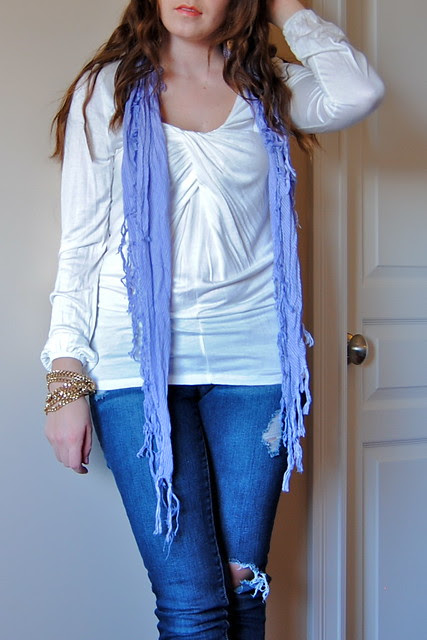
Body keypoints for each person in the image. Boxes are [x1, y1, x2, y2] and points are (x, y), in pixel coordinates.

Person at [41, 1, 384, 638]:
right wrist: (66, 377)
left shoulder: (268, 87)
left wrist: (288, 9)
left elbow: (356, 91)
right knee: (192, 605)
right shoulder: (110, 89)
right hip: (135, 365)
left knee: (242, 591)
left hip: (253, 365)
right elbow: (81, 245)